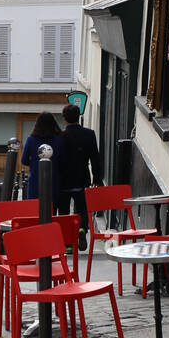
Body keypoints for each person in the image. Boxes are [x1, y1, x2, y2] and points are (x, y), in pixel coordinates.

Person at [57, 104, 102, 250]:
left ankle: (67, 243)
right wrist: (97, 177)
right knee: (81, 208)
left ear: (64, 118)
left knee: (63, 212)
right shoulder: (89, 134)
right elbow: (95, 157)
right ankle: (82, 229)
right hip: (82, 177)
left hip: (63, 180)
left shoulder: (60, 136)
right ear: (79, 117)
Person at [21, 112, 64, 205]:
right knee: (52, 210)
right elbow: (63, 160)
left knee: (34, 210)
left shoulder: (31, 139)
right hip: (54, 179)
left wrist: (34, 163)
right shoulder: (59, 139)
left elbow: (24, 160)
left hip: (35, 180)